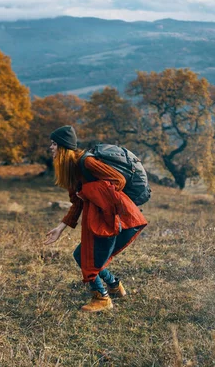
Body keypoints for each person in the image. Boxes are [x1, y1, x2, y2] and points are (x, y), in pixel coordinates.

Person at [44, 125, 147, 312]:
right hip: (103, 219)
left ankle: (102, 299)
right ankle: (114, 286)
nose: (51, 148)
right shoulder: (73, 169)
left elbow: (118, 181)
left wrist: (88, 191)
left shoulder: (87, 162)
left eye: (54, 144)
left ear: (64, 147)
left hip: (117, 218)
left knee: (89, 258)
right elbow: (77, 202)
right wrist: (60, 227)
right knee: (83, 255)